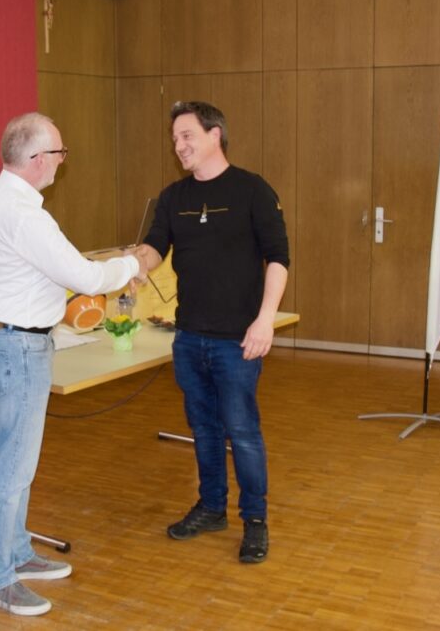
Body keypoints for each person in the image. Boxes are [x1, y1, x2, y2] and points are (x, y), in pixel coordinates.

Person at [0, 112, 145, 616]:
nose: (62, 161)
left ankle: (17, 553)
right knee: (11, 467)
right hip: (17, 348)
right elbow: (86, 277)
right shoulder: (26, 215)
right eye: (60, 153)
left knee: (15, 459)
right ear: (38, 159)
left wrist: (17, 274)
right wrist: (133, 263)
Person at [134, 101, 289, 564]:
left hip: (237, 340)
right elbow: (154, 248)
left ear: (214, 135)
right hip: (189, 337)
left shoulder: (253, 190)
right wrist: (131, 265)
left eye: (187, 136)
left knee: (242, 432)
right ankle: (211, 507)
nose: (178, 146)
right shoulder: (173, 198)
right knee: (203, 429)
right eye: (174, 139)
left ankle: (255, 521)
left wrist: (265, 320)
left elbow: (278, 259)